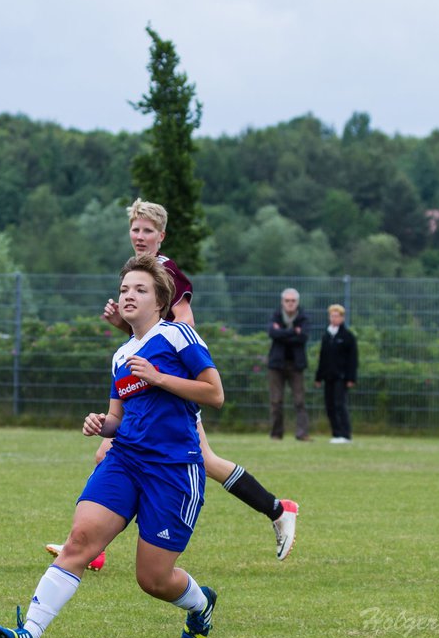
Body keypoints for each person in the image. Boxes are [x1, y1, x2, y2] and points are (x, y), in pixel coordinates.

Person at [45, 198, 299, 564]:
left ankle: (91, 547)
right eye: (136, 229)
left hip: (169, 390)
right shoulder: (140, 272)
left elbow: (183, 324)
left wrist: (167, 373)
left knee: (114, 452)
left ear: (161, 236)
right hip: (154, 387)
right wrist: (124, 326)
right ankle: (277, 508)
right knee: (202, 461)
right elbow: (149, 336)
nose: (140, 236)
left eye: (148, 230)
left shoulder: (163, 269)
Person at [0, 256, 223, 638]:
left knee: (152, 578)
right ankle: (30, 632)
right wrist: (102, 423)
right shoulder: (120, 356)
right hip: (126, 460)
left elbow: (214, 394)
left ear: (160, 301)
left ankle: (200, 604)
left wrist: (159, 377)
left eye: (140, 289)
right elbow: (118, 417)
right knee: (79, 540)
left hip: (173, 469)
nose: (128, 295)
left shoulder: (178, 336)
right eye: (124, 289)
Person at [267, 288, 311, 441]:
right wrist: (293, 332)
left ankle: (302, 433)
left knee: (299, 401)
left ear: (297, 302)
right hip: (276, 365)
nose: (290, 303)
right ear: (282, 302)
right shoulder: (276, 315)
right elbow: (272, 334)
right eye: (287, 300)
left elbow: (303, 337)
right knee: (276, 400)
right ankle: (276, 434)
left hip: (296, 365)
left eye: (293, 301)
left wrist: (283, 333)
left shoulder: (303, 317)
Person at [314, 304, 357, 443]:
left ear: (342, 318)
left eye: (337, 316)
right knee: (330, 405)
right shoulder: (327, 336)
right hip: (328, 376)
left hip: (341, 377)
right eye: (332, 316)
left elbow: (353, 359)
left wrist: (351, 377)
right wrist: (318, 377)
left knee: (340, 404)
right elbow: (322, 357)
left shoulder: (347, 336)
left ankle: (345, 434)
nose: (334, 318)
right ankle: (336, 433)